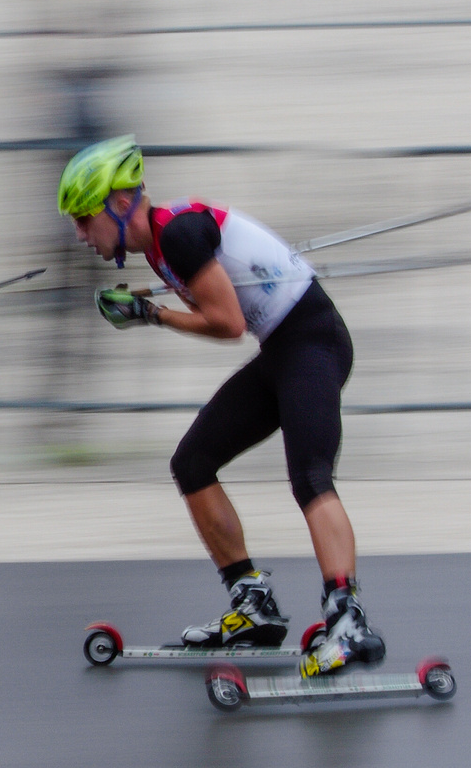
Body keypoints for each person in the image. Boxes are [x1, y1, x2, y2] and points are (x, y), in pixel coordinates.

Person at [57, 135, 384, 677]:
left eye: (82, 217)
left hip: (313, 342)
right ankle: (253, 604)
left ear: (118, 204)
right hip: (282, 349)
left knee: (310, 478)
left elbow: (228, 324)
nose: (78, 233)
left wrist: (149, 315)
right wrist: (145, 305)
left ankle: (348, 621)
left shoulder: (179, 235)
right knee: (192, 463)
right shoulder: (163, 242)